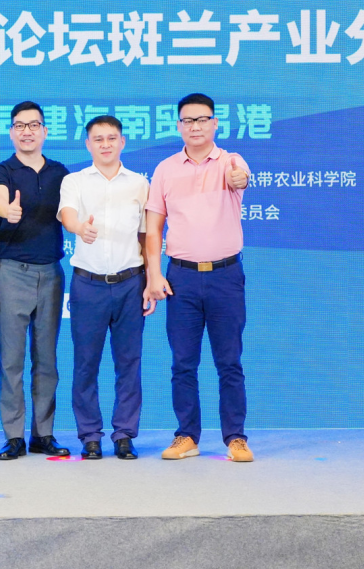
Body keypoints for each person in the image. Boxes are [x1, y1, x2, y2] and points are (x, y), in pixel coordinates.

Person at [144, 93, 254, 463]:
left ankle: (236, 438)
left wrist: (239, 178)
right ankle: (187, 436)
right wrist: (154, 273)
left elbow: (241, 178)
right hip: (181, 278)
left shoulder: (231, 161)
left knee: (229, 362)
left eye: (202, 119)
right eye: (188, 120)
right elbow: (154, 227)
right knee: (183, 363)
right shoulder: (165, 169)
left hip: (226, 276)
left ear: (215, 123)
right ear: (179, 126)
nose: (195, 126)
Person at [58, 115, 154, 461]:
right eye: (98, 139)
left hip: (131, 282)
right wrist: (79, 228)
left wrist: (151, 280)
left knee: (129, 362)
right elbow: (67, 215)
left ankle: (124, 434)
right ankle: (90, 436)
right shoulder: (74, 181)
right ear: (88, 144)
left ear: (122, 142)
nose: (105, 144)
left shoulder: (139, 184)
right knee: (86, 363)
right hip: (88, 284)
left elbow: (146, 235)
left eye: (111, 138)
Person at [0, 101, 71, 460]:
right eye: (20, 126)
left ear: (44, 131)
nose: (27, 131)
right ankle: (13, 436)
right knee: (11, 360)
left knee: (47, 359)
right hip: (11, 272)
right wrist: (7, 210)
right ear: (11, 132)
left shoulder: (61, 172)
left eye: (33, 125)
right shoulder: (2, 170)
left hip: (51, 273)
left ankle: (43, 434)